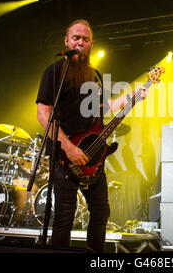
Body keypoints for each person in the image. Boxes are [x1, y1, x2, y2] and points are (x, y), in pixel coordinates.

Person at [36, 19, 147, 252]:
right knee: (65, 215)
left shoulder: (94, 75)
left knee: (101, 211)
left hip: (93, 156)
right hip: (64, 157)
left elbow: (103, 108)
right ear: (66, 41)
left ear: (91, 45)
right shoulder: (55, 71)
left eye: (85, 39)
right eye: (76, 38)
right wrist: (68, 147)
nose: (80, 42)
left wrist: (132, 96)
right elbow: (43, 114)